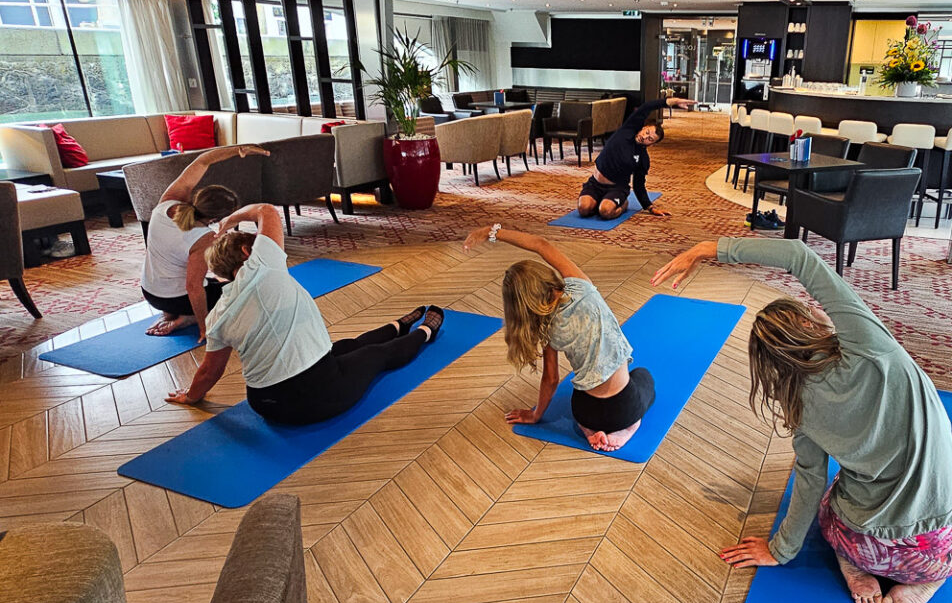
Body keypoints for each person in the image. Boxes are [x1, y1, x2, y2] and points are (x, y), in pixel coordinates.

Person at [651, 238, 952, 603]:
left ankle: (853, 566)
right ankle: (927, 582)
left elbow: (809, 481)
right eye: (809, 310)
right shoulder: (869, 346)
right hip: (937, 548)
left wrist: (780, 550)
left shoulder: (798, 407)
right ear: (806, 323)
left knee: (831, 506)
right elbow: (800, 258)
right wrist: (707, 248)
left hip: (865, 544)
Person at [166, 203, 444, 425]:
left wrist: (191, 397)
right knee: (374, 356)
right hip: (314, 398)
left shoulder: (217, 316)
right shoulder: (264, 264)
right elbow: (266, 210)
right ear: (246, 251)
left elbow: (210, 371)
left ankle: (398, 325)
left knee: (347, 347)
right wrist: (230, 220)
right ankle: (425, 332)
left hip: (265, 404)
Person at [465, 223, 655, 451]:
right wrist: (492, 231)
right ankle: (628, 428)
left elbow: (551, 379)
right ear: (546, 277)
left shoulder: (545, 328)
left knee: (579, 395)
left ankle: (588, 430)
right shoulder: (582, 287)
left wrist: (536, 415)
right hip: (623, 409)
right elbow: (540, 244)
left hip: (584, 411)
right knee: (643, 376)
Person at [141, 145, 269, 340]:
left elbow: (202, 161)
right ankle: (186, 318)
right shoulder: (202, 238)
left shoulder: (167, 202)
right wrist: (204, 327)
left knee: (214, 282)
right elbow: (193, 287)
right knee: (246, 291)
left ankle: (171, 314)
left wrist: (238, 150)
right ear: (216, 218)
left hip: (150, 292)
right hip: (175, 299)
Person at [577, 95, 694, 221]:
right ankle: (601, 201)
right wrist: (671, 102)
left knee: (605, 212)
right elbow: (646, 108)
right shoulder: (628, 130)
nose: (645, 137)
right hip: (594, 183)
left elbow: (639, 184)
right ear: (643, 128)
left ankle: (623, 204)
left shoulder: (643, 159)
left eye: (650, 139)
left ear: (652, 144)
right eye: (647, 133)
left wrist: (650, 207)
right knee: (584, 209)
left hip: (616, 188)